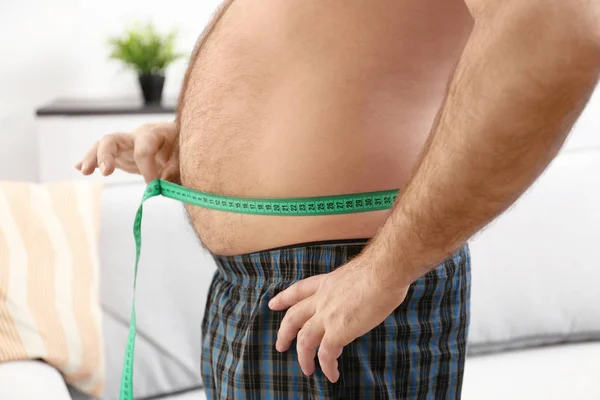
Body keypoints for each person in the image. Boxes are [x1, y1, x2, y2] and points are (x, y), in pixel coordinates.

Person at [76, 1, 600, 398]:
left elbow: (557, 25)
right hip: (259, 292)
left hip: (342, 287)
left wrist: (383, 272)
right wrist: (195, 144)